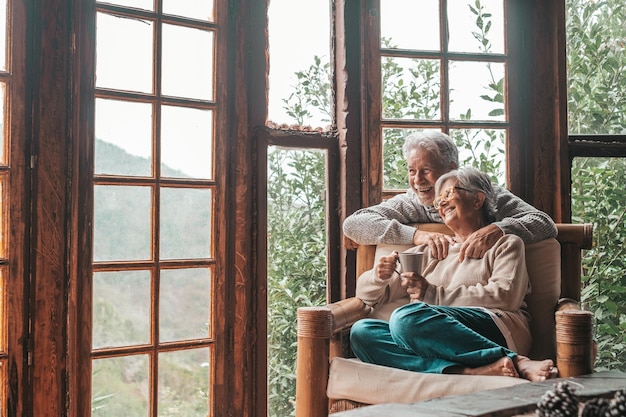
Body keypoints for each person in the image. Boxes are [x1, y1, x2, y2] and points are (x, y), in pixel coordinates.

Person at [349, 167, 556, 381]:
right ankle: (469, 370)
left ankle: (516, 359)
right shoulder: (431, 250)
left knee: (406, 318)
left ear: (477, 200)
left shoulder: (506, 242)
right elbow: (368, 297)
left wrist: (431, 293)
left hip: (496, 327)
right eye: (438, 201)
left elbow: (505, 296)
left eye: (448, 194)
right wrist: (379, 276)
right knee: (362, 332)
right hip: (437, 334)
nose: (441, 204)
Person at [342, 131, 558, 261]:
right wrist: (418, 236)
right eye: (411, 171)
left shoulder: (483, 195)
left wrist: (498, 229)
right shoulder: (411, 201)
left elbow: (544, 223)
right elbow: (354, 224)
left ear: (451, 168)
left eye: (426, 170)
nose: (417, 180)